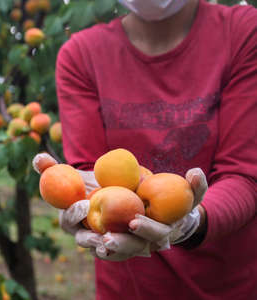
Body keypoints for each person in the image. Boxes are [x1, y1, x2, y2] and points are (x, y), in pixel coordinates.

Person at [51, 0, 256, 298]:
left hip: (229, 285)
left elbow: (245, 173)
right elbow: (89, 172)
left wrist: (193, 221)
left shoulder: (242, 32)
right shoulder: (81, 56)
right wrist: (78, 201)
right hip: (127, 286)